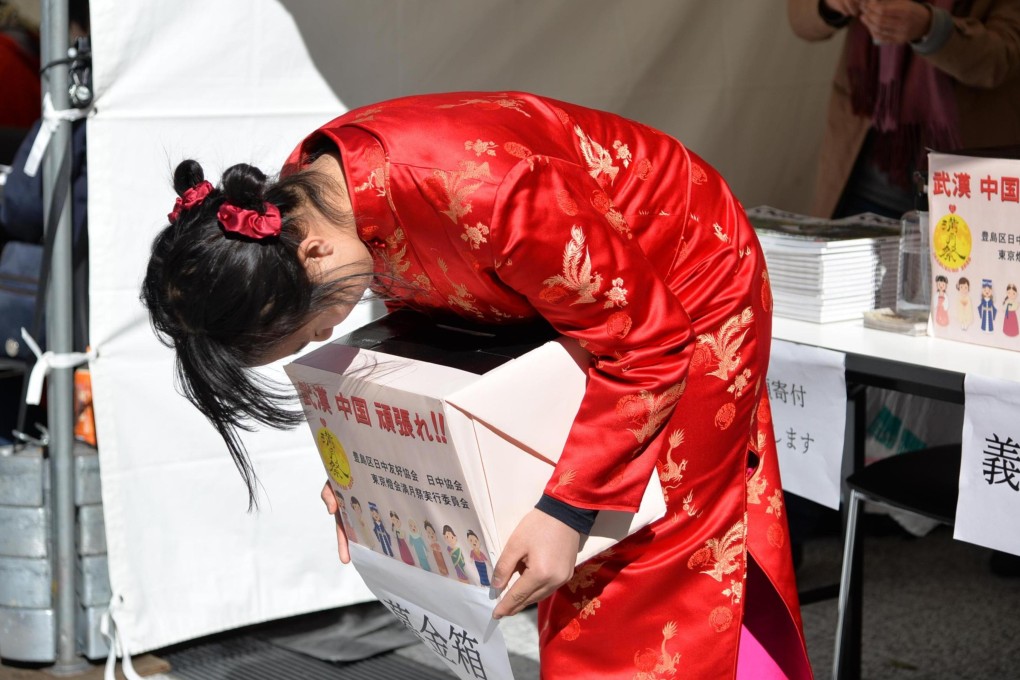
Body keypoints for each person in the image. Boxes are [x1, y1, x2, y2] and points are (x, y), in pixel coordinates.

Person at [141, 91, 812, 678]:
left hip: (677, 272)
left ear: (310, 252)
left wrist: (568, 512)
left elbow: (646, 342)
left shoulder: (489, 188)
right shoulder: (302, 207)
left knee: (646, 548)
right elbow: (421, 330)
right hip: (550, 305)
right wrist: (369, 475)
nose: (327, 336)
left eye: (313, 329)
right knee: (565, 553)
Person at [788, 0, 1020, 220]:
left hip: (957, 192)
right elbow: (799, 18)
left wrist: (930, 28)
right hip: (855, 178)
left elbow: (1001, 59)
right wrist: (829, 4)